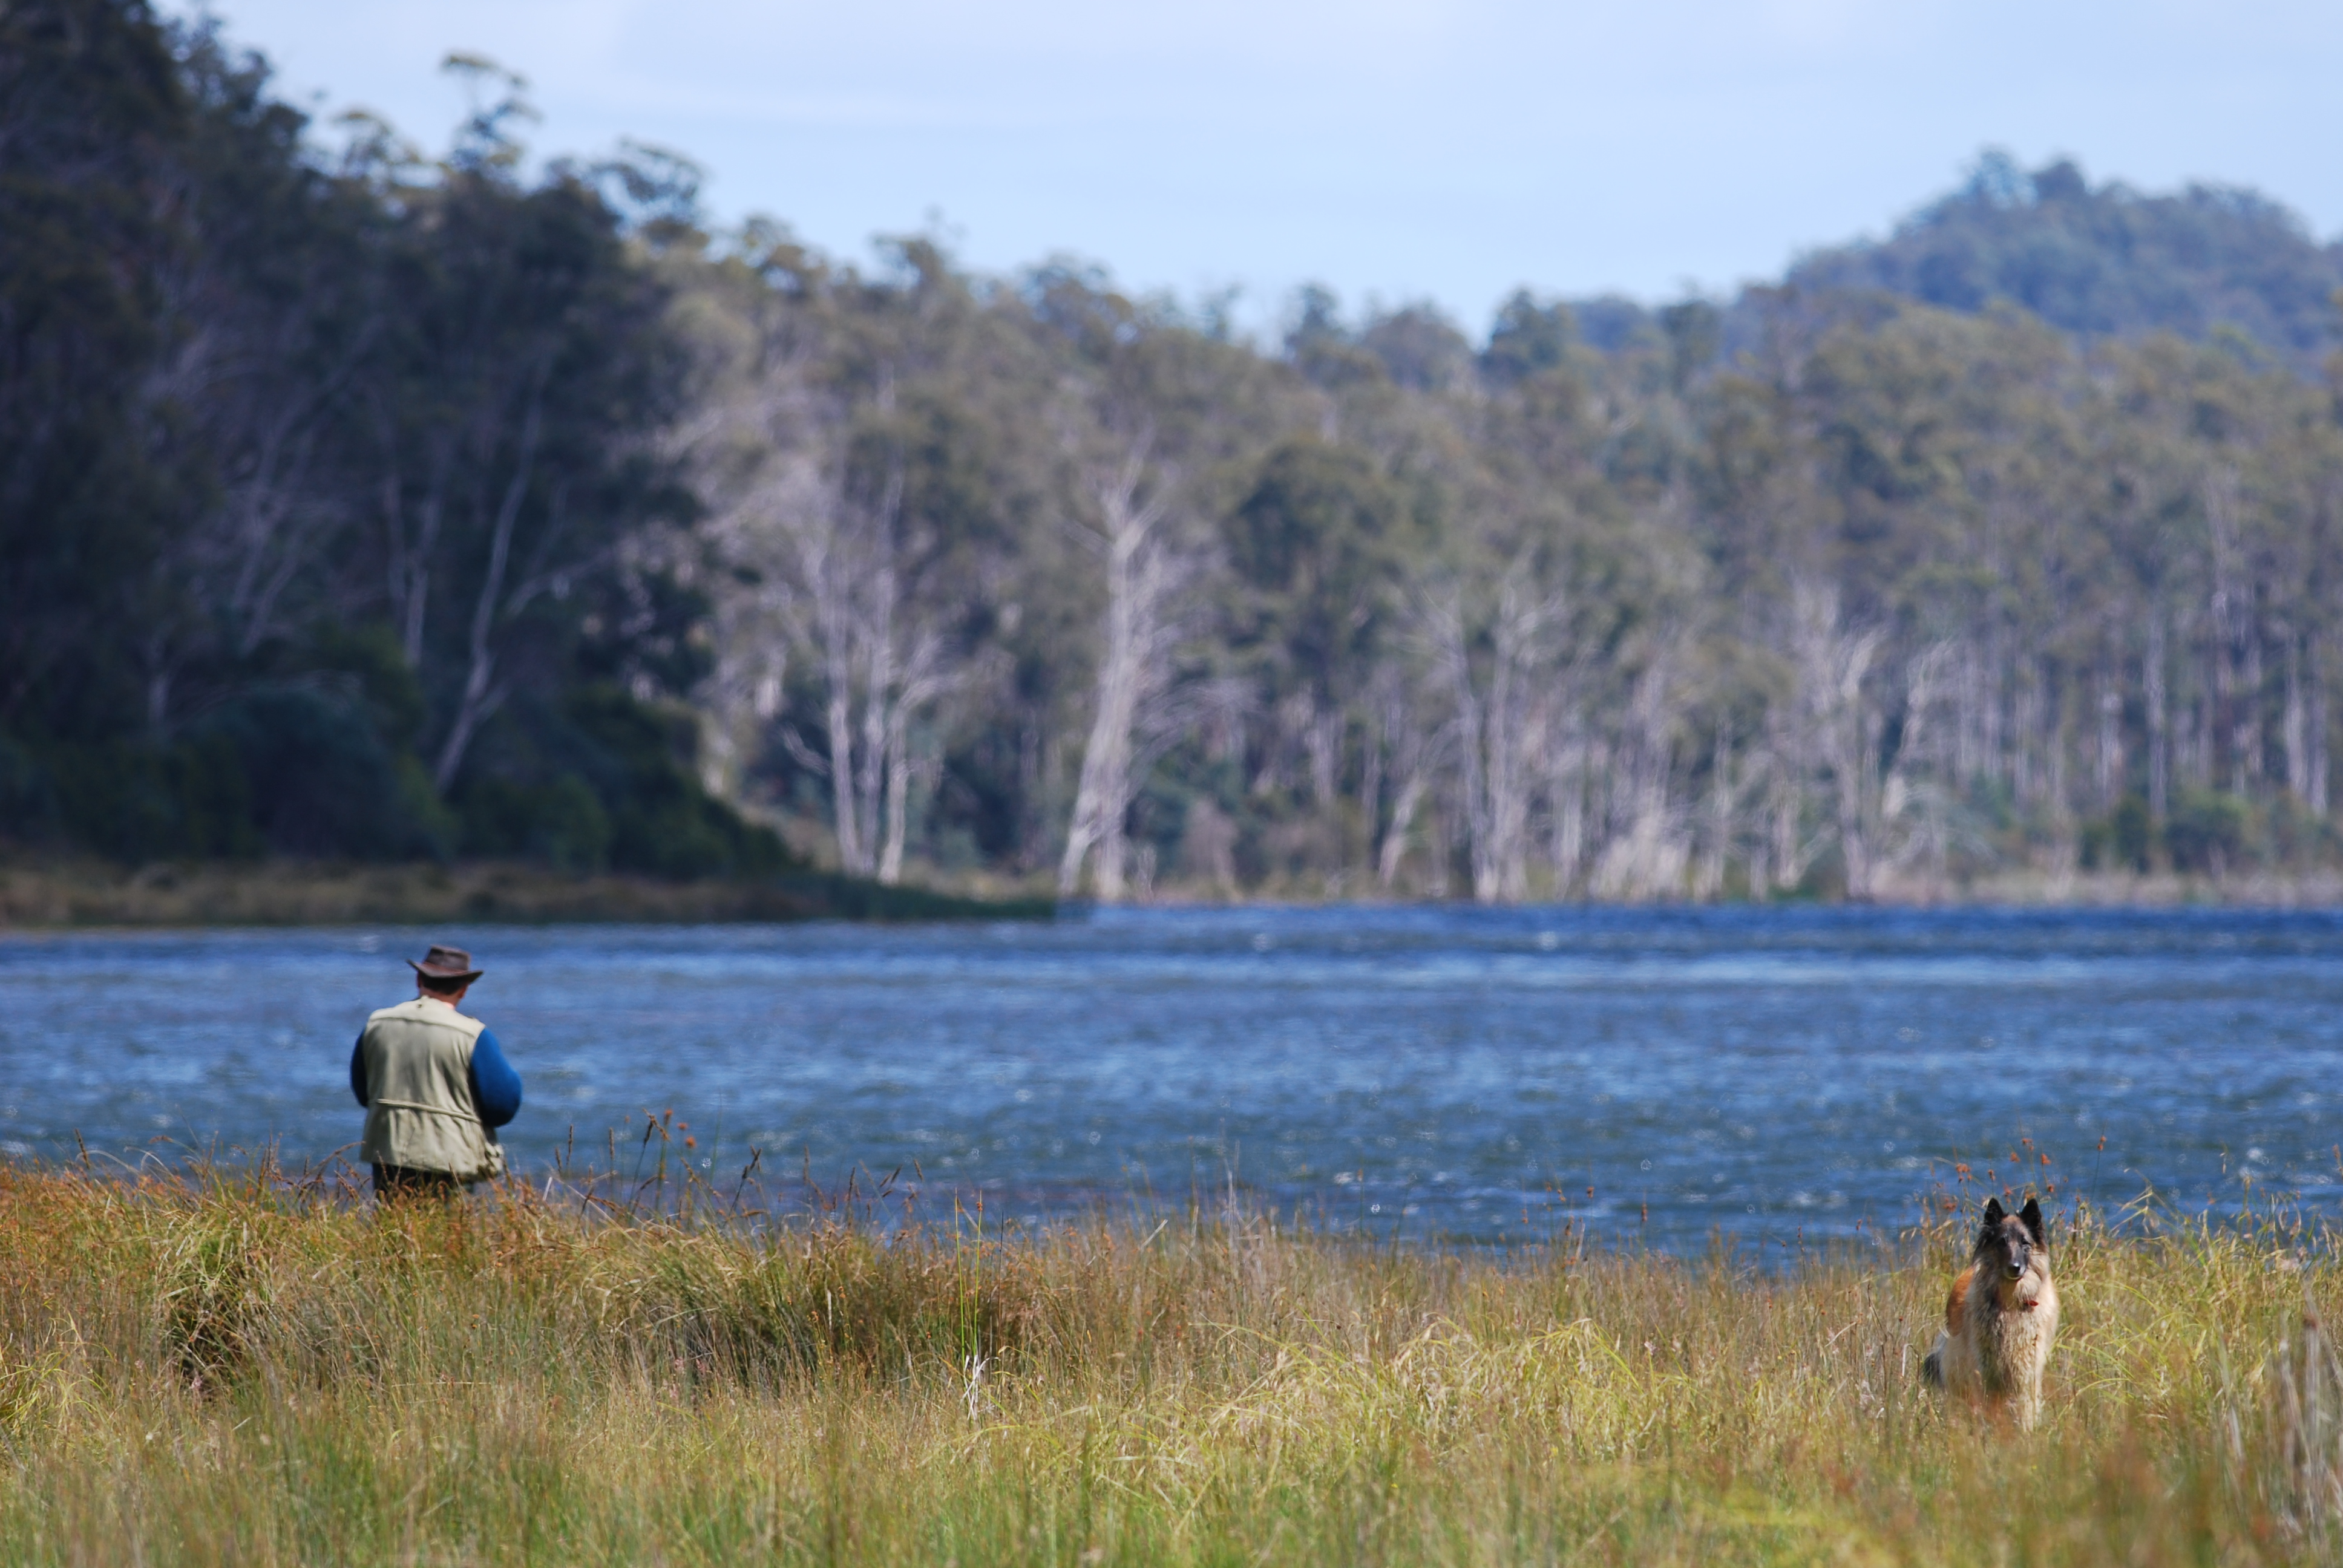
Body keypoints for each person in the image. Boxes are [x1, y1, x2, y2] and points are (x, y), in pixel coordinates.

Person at [349, 943, 522, 1198]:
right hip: (451, 1158)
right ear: (464, 990)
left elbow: (363, 1092)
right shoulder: (472, 1035)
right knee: (447, 1235)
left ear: (419, 979)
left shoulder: (378, 1024)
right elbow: (502, 1106)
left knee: (391, 1231)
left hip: (388, 1150)